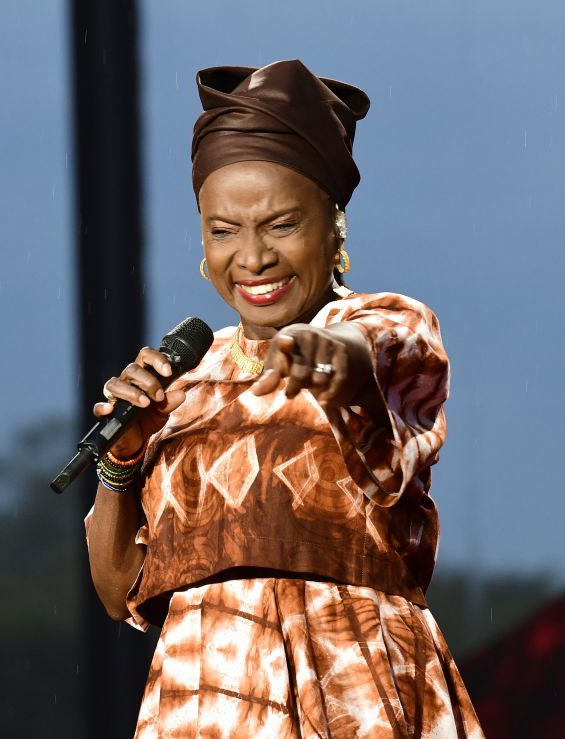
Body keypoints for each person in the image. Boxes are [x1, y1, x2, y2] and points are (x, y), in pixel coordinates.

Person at [85, 59, 484, 738]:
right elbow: (119, 587)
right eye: (223, 230)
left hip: (351, 691)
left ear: (335, 230)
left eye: (279, 224)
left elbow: (370, 359)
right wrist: (122, 457)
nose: (252, 256)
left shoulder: (387, 325)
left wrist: (334, 363)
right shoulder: (182, 380)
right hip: (202, 699)